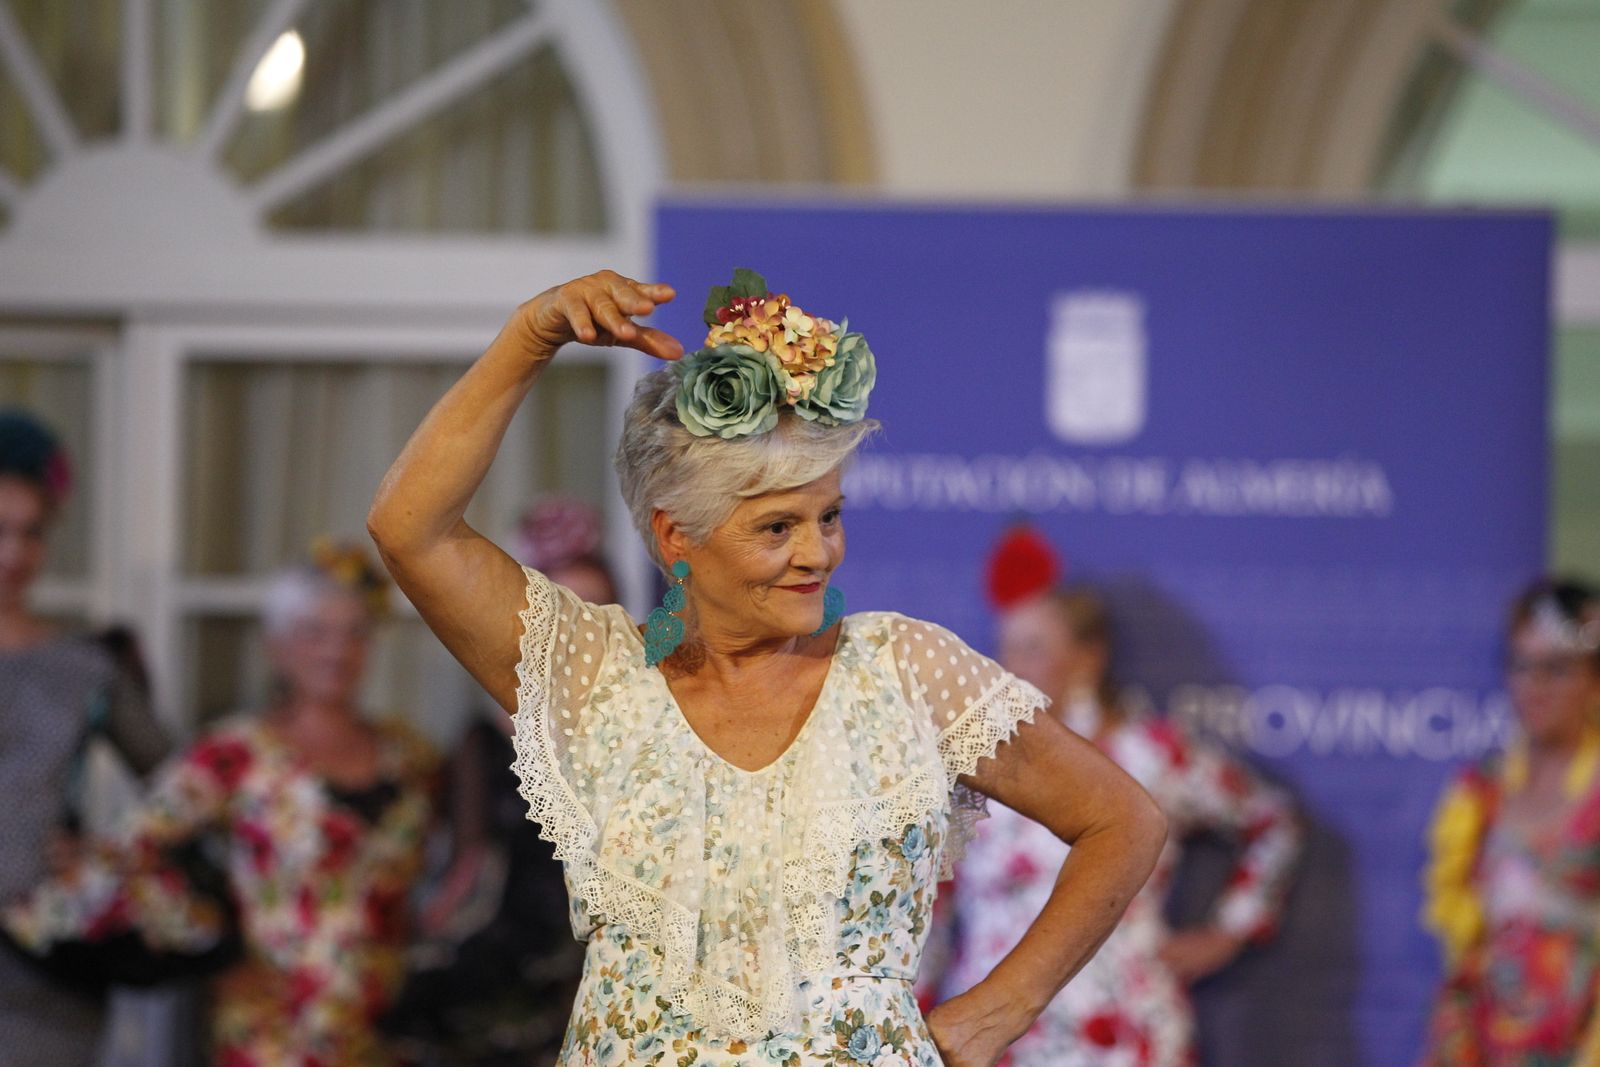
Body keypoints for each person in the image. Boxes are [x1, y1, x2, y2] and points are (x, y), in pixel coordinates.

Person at [367, 268, 1168, 1066]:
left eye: (829, 516)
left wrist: (999, 1008)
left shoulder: (907, 670)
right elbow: (411, 529)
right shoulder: (593, 676)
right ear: (678, 536)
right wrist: (529, 334)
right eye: (777, 526)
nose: (816, 552)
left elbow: (1122, 819)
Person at [9, 542, 439, 1065]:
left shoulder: (409, 757)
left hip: (381, 1032)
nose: (337, 650)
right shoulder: (235, 753)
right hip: (271, 1034)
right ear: (277, 647)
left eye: (355, 633)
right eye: (315, 632)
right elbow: (126, 851)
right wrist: (213, 948)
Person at [927, 584, 1302, 1067]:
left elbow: (1271, 819)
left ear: (1087, 659)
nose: (1009, 665)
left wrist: (1230, 930)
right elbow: (932, 896)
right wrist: (913, 1009)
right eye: (1005, 648)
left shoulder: (1151, 754)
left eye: (1033, 647)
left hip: (1125, 1030)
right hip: (993, 1033)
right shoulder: (967, 758)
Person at [0, 409, 172, 1066]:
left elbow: (183, 792)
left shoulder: (85, 666)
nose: (13, 553)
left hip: (42, 969)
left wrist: (109, 860)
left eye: (31, 532)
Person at [1421, 578, 1600, 1067]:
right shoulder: (1481, 790)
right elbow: (1466, 942)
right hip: (1487, 1041)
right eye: (1522, 666)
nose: (1535, 687)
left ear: (1594, 678)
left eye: (1557, 669)